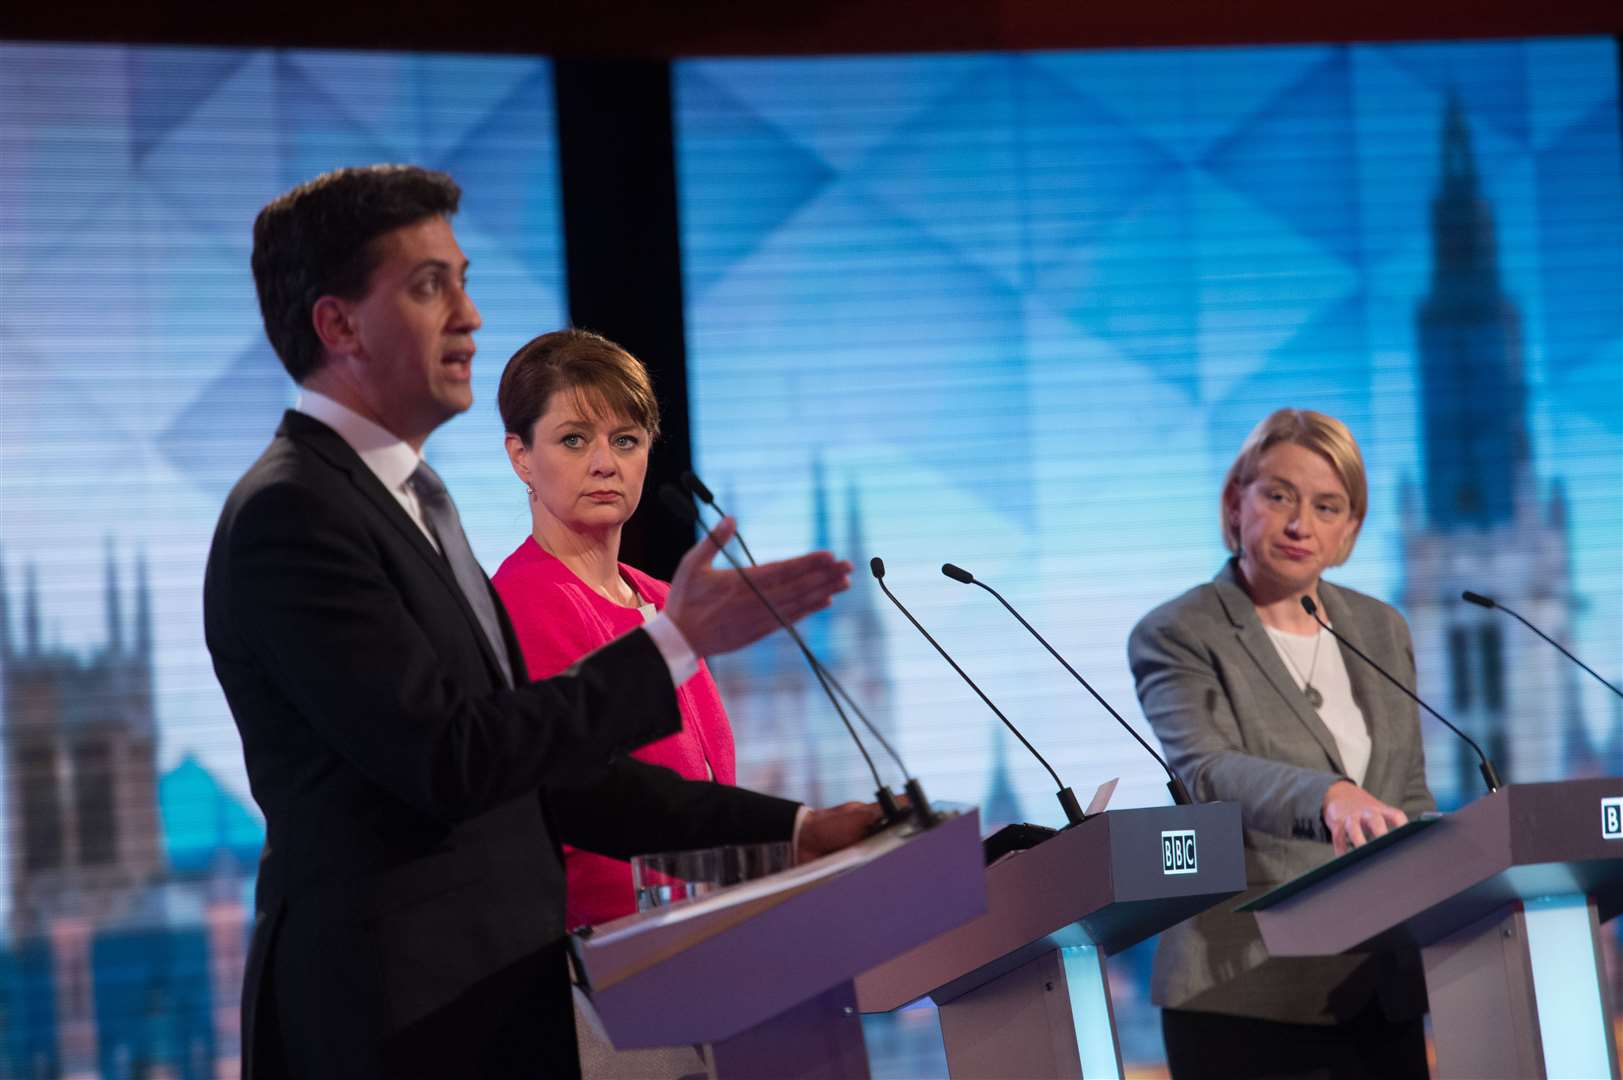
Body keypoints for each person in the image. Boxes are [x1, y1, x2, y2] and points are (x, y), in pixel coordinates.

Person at [203, 164, 876, 1080]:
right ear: (338, 325)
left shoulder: (409, 507)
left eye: (465, 278)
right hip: (396, 1026)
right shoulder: (295, 513)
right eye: (429, 285)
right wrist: (674, 645)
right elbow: (449, 760)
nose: (470, 315)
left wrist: (797, 831)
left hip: (494, 1012)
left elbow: (551, 784)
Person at [1127, 408, 1434, 1080]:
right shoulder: (1178, 631)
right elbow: (1205, 769)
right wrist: (1327, 795)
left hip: (1377, 993)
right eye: (1278, 496)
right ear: (1234, 503)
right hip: (1244, 996)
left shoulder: (1380, 628)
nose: (1301, 525)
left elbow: (1406, 791)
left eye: (1327, 506)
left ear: (1350, 528)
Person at [490, 327, 745, 929]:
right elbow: (581, 810)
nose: (605, 463)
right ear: (521, 455)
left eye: (625, 440)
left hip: (717, 932)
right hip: (618, 954)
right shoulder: (524, 601)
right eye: (574, 440)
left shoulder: (662, 597)